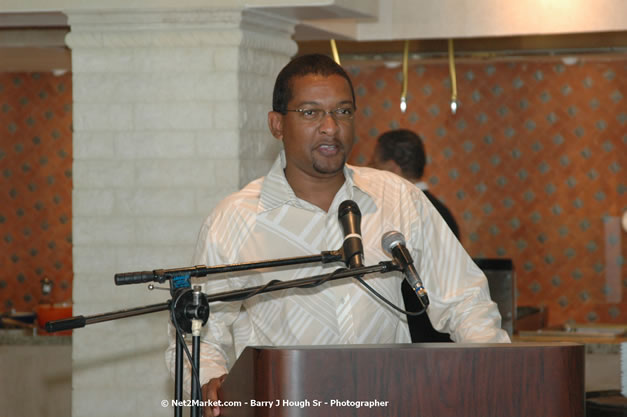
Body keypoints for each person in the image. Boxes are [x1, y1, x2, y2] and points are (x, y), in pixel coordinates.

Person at [165, 54, 509, 417]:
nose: (331, 127)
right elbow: (198, 334)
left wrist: (493, 377)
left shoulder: (398, 198)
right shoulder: (234, 220)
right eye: (311, 113)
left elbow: (465, 301)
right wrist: (210, 383)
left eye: (343, 112)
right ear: (277, 124)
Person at [372, 129, 460, 343]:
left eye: (374, 164)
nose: (370, 172)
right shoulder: (441, 211)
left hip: (419, 343)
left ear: (392, 169)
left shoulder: (403, 214)